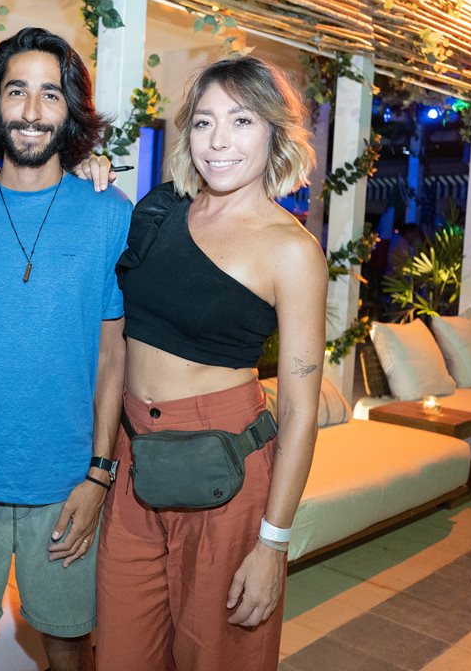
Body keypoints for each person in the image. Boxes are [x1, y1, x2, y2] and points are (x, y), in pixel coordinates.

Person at [97, 56, 326, 671]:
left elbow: (300, 412)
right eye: (203, 122)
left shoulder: (291, 250)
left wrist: (273, 545)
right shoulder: (160, 210)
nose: (218, 140)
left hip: (226, 467)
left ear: (274, 132)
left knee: (217, 656)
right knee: (119, 651)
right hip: (134, 459)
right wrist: (87, 174)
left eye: (241, 120)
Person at [0, 26, 133, 671]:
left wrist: (99, 475)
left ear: (70, 111)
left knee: (69, 646)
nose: (33, 111)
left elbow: (112, 357)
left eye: (51, 94)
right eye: (17, 92)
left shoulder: (108, 212)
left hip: (66, 478)